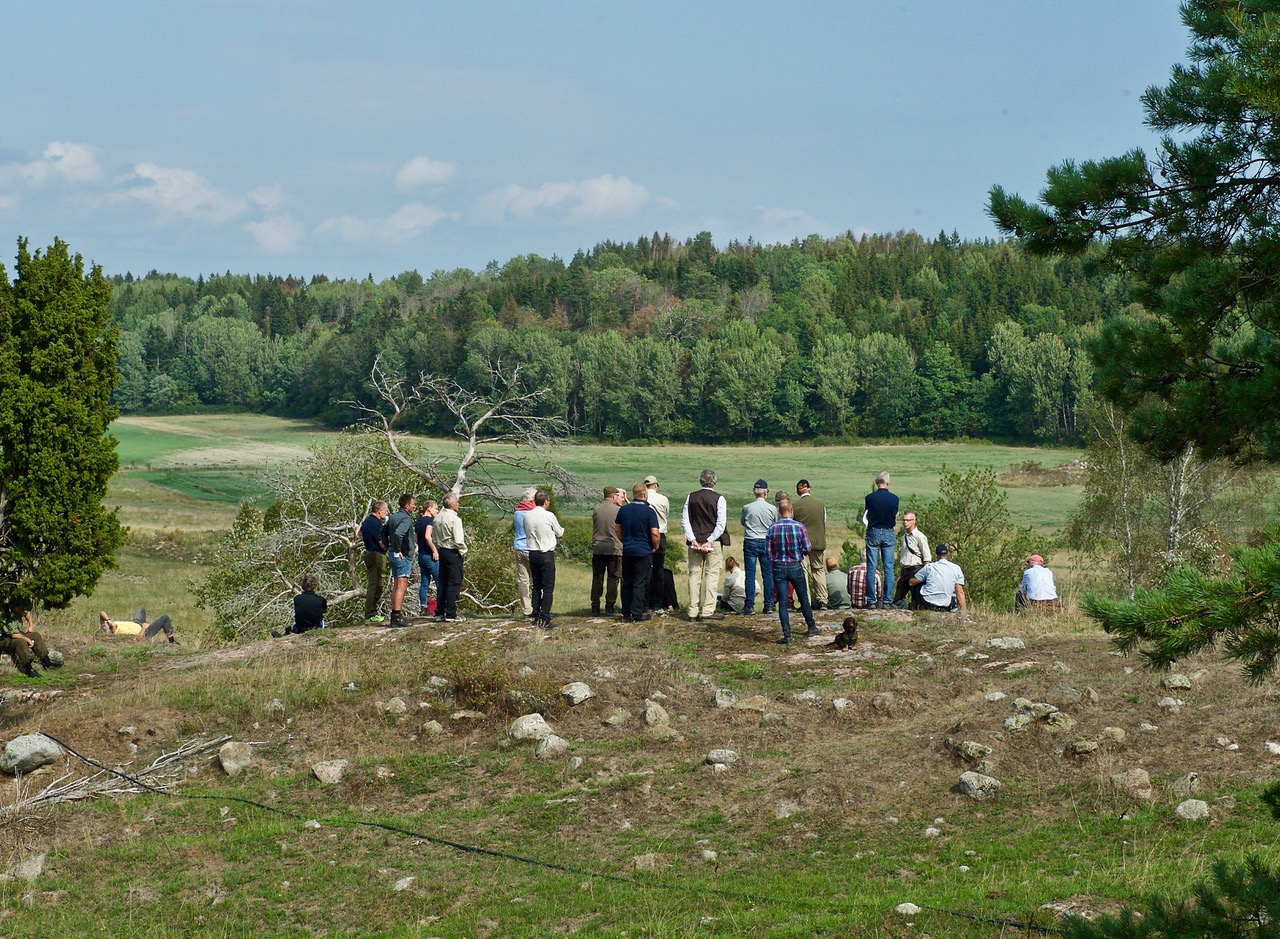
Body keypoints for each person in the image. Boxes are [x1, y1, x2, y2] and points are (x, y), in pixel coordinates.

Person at [766, 497, 819, 644]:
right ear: (791, 510)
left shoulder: (772, 528)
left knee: (782, 602)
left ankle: (787, 635)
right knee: (803, 598)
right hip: (795, 565)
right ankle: (811, 626)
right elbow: (807, 547)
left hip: (778, 566)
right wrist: (801, 552)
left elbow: (768, 552)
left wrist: (774, 562)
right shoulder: (799, 527)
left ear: (779, 511)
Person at [682, 469, 728, 622]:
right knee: (711, 575)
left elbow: (685, 520)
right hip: (712, 542)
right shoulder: (719, 498)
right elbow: (720, 524)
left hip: (695, 540)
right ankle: (708, 610)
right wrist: (710, 539)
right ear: (714, 482)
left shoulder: (691, 497)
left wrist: (692, 539)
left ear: (701, 481)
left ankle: (692, 611)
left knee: (694, 575)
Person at [615, 482, 660, 622]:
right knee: (640, 582)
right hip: (643, 550)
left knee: (627, 581)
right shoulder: (649, 511)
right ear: (645, 495)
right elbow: (655, 533)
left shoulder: (624, 510)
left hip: (628, 550)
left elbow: (617, 529)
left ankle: (626, 612)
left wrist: (625, 541)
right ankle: (636, 613)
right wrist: (655, 546)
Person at [524, 489, 565, 629]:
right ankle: (545, 617)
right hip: (546, 552)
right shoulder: (549, 515)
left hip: (533, 552)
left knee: (536, 585)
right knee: (548, 587)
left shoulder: (527, 516)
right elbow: (559, 532)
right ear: (546, 502)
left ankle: (535, 614)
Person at [740, 479, 778, 615]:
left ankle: (749, 605)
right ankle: (769, 604)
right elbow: (775, 524)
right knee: (767, 574)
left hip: (750, 540)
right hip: (766, 541)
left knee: (750, 575)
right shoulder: (772, 509)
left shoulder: (747, 507)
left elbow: (743, 522)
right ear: (766, 492)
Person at [791, 480, 829, 609]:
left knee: (803, 572)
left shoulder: (795, 506)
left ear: (798, 490)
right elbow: (824, 521)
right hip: (818, 542)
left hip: (801, 545)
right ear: (809, 489)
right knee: (818, 570)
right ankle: (822, 599)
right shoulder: (820, 504)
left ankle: (805, 601)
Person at [864, 471, 899, 608]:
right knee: (888, 568)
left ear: (876, 482)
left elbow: (868, 514)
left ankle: (871, 600)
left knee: (871, 567)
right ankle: (887, 600)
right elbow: (895, 514)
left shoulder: (870, 498)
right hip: (889, 532)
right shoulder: (894, 498)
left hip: (874, 530)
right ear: (888, 482)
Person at [433, 492, 467, 623]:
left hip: (442, 551)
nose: (458, 504)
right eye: (457, 502)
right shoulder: (455, 519)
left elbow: (434, 538)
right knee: (454, 581)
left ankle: (439, 612)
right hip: (453, 551)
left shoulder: (437, 518)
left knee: (442, 582)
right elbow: (458, 540)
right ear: (452, 504)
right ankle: (450, 613)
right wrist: (463, 551)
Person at [590, 486, 624, 616]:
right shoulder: (619, 511)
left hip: (598, 547)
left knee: (597, 578)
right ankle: (609, 605)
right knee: (613, 578)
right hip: (614, 548)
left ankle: (595, 606)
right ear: (614, 496)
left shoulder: (596, 510)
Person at [2, 605, 60, 677]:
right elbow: (13, 634)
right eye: (21, 609)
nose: (22, 611)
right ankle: (28, 668)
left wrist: (30, 625)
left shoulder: (18, 606)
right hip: (4, 638)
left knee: (35, 636)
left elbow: (27, 613)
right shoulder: (5, 613)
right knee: (20, 642)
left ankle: (46, 661)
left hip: (16, 633)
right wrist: (27, 639)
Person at [386, 493, 417, 627]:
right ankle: (397, 616)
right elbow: (399, 533)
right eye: (413, 504)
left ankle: (395, 615)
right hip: (402, 555)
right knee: (401, 585)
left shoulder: (393, 516)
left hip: (393, 553)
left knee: (396, 584)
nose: (414, 506)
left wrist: (388, 547)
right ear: (407, 505)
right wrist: (398, 550)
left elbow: (383, 531)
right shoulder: (406, 519)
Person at [643, 475, 671, 613]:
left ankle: (645, 602)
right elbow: (666, 514)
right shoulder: (663, 499)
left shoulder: (643, 498)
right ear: (655, 485)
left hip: (645, 536)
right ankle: (657, 603)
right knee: (658, 571)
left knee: (645, 570)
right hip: (660, 534)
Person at [910, 544, 966, 613]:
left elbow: (911, 582)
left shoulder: (930, 567)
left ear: (936, 555)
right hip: (946, 605)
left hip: (927, 603)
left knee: (918, 582)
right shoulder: (956, 568)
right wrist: (964, 611)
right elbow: (959, 592)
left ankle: (916, 607)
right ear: (948, 554)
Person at [359, 499, 390, 622]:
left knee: (376, 583)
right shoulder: (375, 523)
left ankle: (371, 613)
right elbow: (381, 542)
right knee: (376, 584)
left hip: (369, 552)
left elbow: (360, 534)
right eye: (385, 510)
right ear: (379, 511)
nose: (387, 513)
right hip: (376, 554)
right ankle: (370, 614)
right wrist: (388, 549)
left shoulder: (366, 522)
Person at [893, 511, 931, 610]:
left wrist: (925, 575)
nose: (906, 522)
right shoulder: (903, 537)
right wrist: (901, 574)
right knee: (898, 597)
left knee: (916, 597)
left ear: (914, 521)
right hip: (905, 570)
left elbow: (927, 557)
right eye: (904, 520)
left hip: (916, 569)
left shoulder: (920, 536)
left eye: (908, 520)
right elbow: (904, 557)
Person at [512, 488, 537, 618]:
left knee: (523, 580)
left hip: (518, 547)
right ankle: (538, 606)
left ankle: (526, 609)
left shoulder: (517, 512)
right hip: (531, 548)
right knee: (537, 579)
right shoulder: (533, 512)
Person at [99, 607, 180, 643]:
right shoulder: (117, 632)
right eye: (108, 625)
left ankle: (144, 624)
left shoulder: (111, 625)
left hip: (137, 624)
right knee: (165, 618)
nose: (108, 623)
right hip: (144, 632)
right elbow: (139, 638)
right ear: (112, 630)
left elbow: (101, 613)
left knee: (141, 609)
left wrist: (108, 620)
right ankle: (171, 641)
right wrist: (144, 627)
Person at [415, 499, 439, 615]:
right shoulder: (430, 521)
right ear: (429, 508)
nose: (437, 511)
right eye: (436, 508)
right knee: (439, 580)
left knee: (424, 582)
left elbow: (416, 538)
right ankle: (441, 607)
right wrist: (434, 550)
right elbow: (427, 537)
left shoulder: (418, 521)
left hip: (421, 554)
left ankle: (423, 607)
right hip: (429, 555)